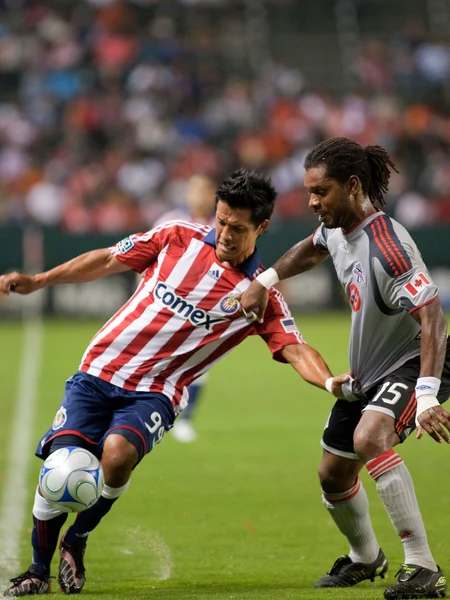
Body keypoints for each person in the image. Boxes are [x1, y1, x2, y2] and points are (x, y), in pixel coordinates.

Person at [1, 167, 350, 597]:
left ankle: (79, 536)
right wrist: (40, 280)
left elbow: (296, 349)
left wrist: (332, 382)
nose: (224, 233)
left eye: (237, 228)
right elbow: (110, 258)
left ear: (261, 227)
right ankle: (37, 571)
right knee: (62, 468)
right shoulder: (176, 235)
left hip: (156, 393)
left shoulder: (259, 295)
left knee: (115, 455)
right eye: (220, 221)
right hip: (97, 372)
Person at [239, 138, 450, 600]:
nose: (313, 202)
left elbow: (433, 318)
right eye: (310, 192)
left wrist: (428, 393)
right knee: (333, 474)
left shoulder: (388, 248)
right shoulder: (336, 227)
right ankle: (366, 557)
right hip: (370, 369)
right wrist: (265, 281)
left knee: (368, 437)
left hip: (416, 360)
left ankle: (422, 568)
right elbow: (311, 249)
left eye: (322, 191)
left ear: (353, 186)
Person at [152, 174, 216, 443]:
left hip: (202, 308)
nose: (198, 195)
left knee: (197, 365)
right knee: (154, 362)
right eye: (194, 189)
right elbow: (147, 256)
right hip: (166, 303)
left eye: (204, 190)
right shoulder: (170, 220)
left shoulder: (221, 226)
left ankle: (184, 419)